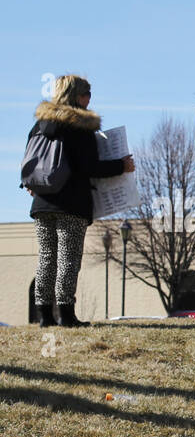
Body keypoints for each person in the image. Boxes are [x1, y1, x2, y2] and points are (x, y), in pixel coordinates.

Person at [25, 75, 134, 327]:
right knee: (69, 258)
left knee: (46, 257)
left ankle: (44, 317)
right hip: (71, 203)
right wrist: (122, 165)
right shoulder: (80, 126)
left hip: (42, 203)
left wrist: (31, 187)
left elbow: (30, 161)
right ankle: (66, 315)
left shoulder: (40, 125)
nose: (89, 99)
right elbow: (89, 167)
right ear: (77, 96)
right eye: (87, 93)